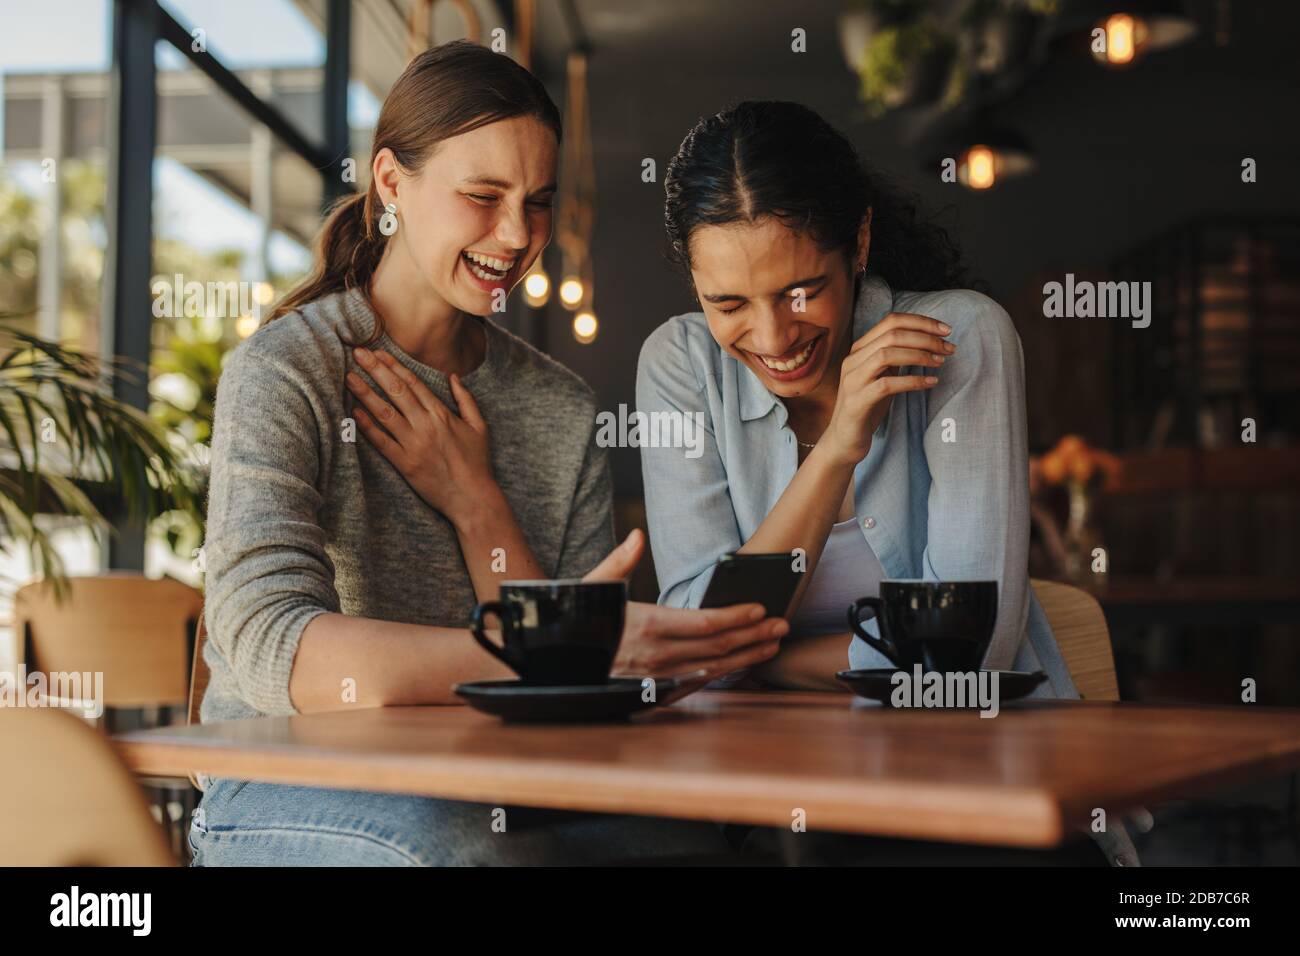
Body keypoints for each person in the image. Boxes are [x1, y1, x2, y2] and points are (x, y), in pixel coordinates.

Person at [189, 42, 785, 867]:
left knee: (691, 847)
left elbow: (568, 696)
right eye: (482, 196)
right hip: (281, 779)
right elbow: (269, 643)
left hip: (491, 778)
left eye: (537, 202)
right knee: (475, 855)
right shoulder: (288, 371)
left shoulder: (558, 407)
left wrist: (477, 503)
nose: (516, 236)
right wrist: (530, 656)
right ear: (392, 184)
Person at [637, 101, 1139, 865]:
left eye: (802, 290)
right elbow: (699, 650)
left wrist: (767, 659)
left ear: (860, 241)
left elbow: (970, 660)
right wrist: (839, 447)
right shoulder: (678, 367)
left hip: (975, 788)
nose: (772, 339)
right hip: (768, 796)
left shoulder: (960, 339)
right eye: (729, 304)